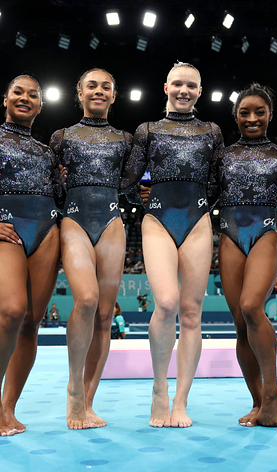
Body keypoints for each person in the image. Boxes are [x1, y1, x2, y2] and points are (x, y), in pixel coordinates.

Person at [121, 62, 223, 428]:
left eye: (191, 86)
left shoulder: (211, 131)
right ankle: (159, 389)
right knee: (166, 302)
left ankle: (181, 400)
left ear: (199, 90)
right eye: (177, 84)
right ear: (165, 87)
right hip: (157, 220)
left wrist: (205, 208)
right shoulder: (147, 130)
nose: (184, 90)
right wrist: (141, 196)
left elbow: (218, 181)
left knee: (192, 313)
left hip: (197, 222)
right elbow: (127, 180)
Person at [48, 68, 132, 430]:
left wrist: (143, 191)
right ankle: (72, 388)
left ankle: (88, 397)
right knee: (85, 299)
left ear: (114, 96)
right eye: (92, 86)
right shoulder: (61, 137)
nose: (99, 91)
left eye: (106, 87)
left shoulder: (127, 139)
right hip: (75, 220)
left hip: (112, 223)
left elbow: (132, 182)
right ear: (78, 93)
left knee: (104, 314)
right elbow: (47, 184)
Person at [217, 83, 277, 427]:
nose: (251, 118)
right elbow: (199, 189)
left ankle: (273, 391)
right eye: (244, 112)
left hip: (264, 232)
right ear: (236, 116)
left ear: (270, 115)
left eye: (259, 112)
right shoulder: (224, 156)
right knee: (238, 323)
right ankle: (258, 401)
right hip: (230, 235)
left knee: (251, 307)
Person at [0, 75, 62, 436]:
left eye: (32, 95)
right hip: (7, 228)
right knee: (10, 311)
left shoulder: (46, 152)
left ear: (40, 105)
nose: (25, 98)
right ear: (5, 99)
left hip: (46, 232)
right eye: (18, 92)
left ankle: (8, 408)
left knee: (30, 324)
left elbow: (59, 194)